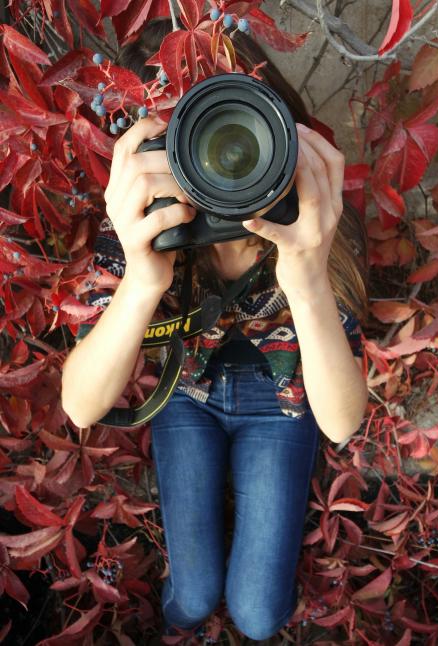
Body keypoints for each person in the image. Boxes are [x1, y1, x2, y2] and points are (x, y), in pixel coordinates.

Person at [61, 18, 369, 642]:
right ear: (157, 150)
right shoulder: (156, 220)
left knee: (257, 619)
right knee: (191, 598)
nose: (222, 161)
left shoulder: (309, 213)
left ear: (279, 123)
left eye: (240, 131)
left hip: (283, 401)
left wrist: (306, 274)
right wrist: (143, 279)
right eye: (194, 138)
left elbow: (341, 421)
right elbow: (80, 405)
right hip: (187, 393)